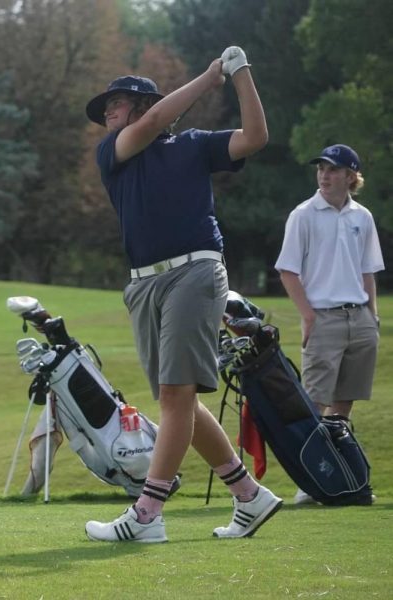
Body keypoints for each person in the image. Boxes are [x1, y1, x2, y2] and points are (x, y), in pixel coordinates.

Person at [82, 46, 282, 543]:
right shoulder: (114, 152)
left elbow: (256, 137)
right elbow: (148, 127)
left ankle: (148, 514)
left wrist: (239, 75)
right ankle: (249, 495)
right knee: (180, 402)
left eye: (118, 102)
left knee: (176, 394)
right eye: (107, 107)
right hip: (143, 284)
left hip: (195, 272)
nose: (108, 112)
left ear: (145, 103)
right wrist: (208, 76)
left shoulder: (192, 144)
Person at [274, 143, 383, 505]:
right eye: (321, 168)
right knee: (315, 404)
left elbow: (368, 270)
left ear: (351, 176)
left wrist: (373, 314)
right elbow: (288, 270)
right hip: (324, 317)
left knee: (344, 404)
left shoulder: (362, 217)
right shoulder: (303, 214)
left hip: (360, 318)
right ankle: (312, 479)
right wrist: (308, 316)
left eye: (333, 169)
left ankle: (338, 476)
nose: (324, 174)